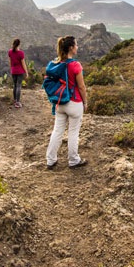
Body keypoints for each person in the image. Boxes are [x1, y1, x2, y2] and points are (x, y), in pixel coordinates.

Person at [45, 35, 88, 170]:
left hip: (60, 103)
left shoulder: (56, 64)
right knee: (73, 133)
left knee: (57, 131)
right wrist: (85, 102)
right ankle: (73, 160)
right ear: (71, 47)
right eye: (76, 45)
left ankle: (50, 160)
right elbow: (81, 87)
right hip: (74, 103)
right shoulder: (75, 65)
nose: (77, 47)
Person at [8, 39, 28, 108]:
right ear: (19, 44)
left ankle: (14, 100)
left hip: (13, 71)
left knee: (15, 85)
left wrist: (12, 69)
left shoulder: (10, 52)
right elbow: (23, 64)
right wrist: (26, 72)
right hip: (20, 72)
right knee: (19, 86)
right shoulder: (21, 53)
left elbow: (10, 62)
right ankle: (17, 102)